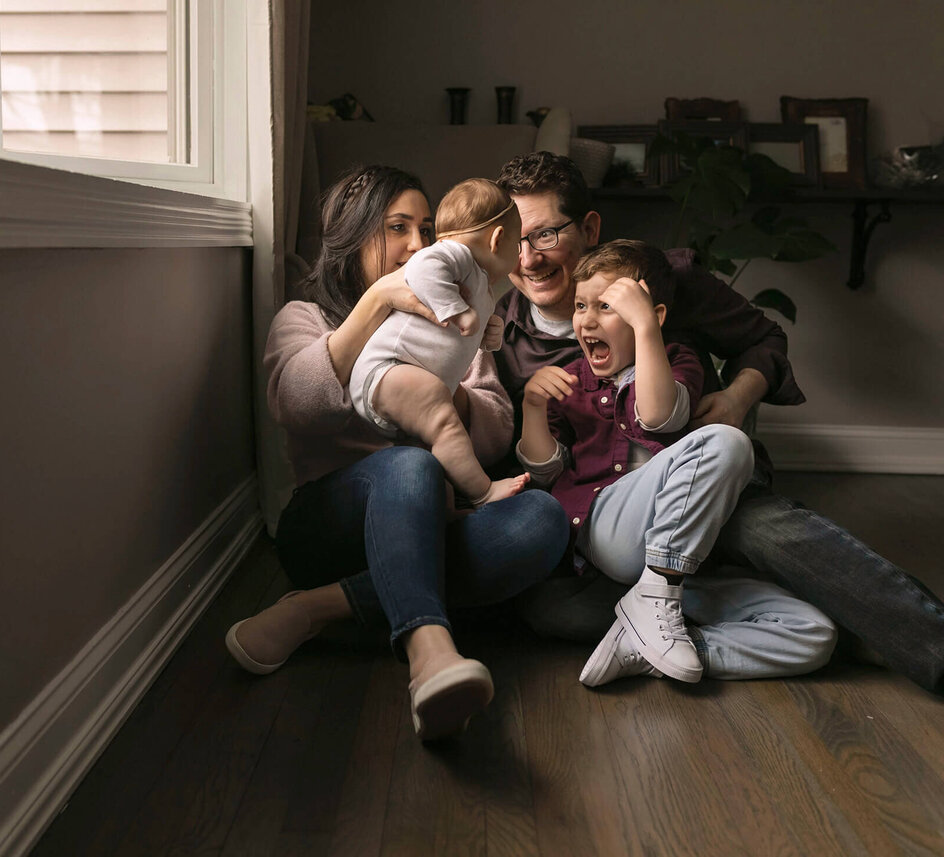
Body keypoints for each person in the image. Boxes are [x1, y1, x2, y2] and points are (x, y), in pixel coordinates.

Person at [494, 150, 944, 695]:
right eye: (514, 239)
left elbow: (764, 341)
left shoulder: (665, 280)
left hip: (706, 481)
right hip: (606, 520)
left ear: (588, 228)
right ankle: (688, 624)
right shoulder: (502, 332)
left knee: (763, 529)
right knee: (550, 608)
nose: (529, 258)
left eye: (544, 235)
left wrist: (735, 400)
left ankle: (921, 642)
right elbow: (524, 454)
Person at [225, 165, 570, 740]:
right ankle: (429, 651)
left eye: (427, 229)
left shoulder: (457, 314)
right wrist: (377, 306)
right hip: (329, 529)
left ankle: (317, 610)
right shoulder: (305, 317)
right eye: (397, 227)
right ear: (355, 237)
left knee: (542, 520)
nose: (418, 244)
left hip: (434, 525)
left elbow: (492, 433)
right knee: (410, 464)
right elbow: (296, 405)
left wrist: (437, 385)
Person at [518, 240, 834, 685]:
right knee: (727, 442)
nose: (587, 319)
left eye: (607, 307)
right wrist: (533, 406)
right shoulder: (571, 379)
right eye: (581, 306)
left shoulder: (677, 359)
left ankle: (653, 642)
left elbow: (659, 416)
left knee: (815, 633)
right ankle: (653, 602)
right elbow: (546, 470)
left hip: (681, 570)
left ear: (655, 316)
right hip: (608, 530)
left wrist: (647, 328)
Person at [351, 177, 529, 507]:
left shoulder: (480, 285)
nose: (521, 257)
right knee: (442, 420)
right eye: (518, 245)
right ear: (498, 239)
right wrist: (458, 313)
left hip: (407, 385)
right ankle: (482, 491)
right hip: (387, 371)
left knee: (431, 465)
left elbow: (458, 341)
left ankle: (447, 509)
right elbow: (422, 270)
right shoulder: (453, 254)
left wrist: (486, 336)